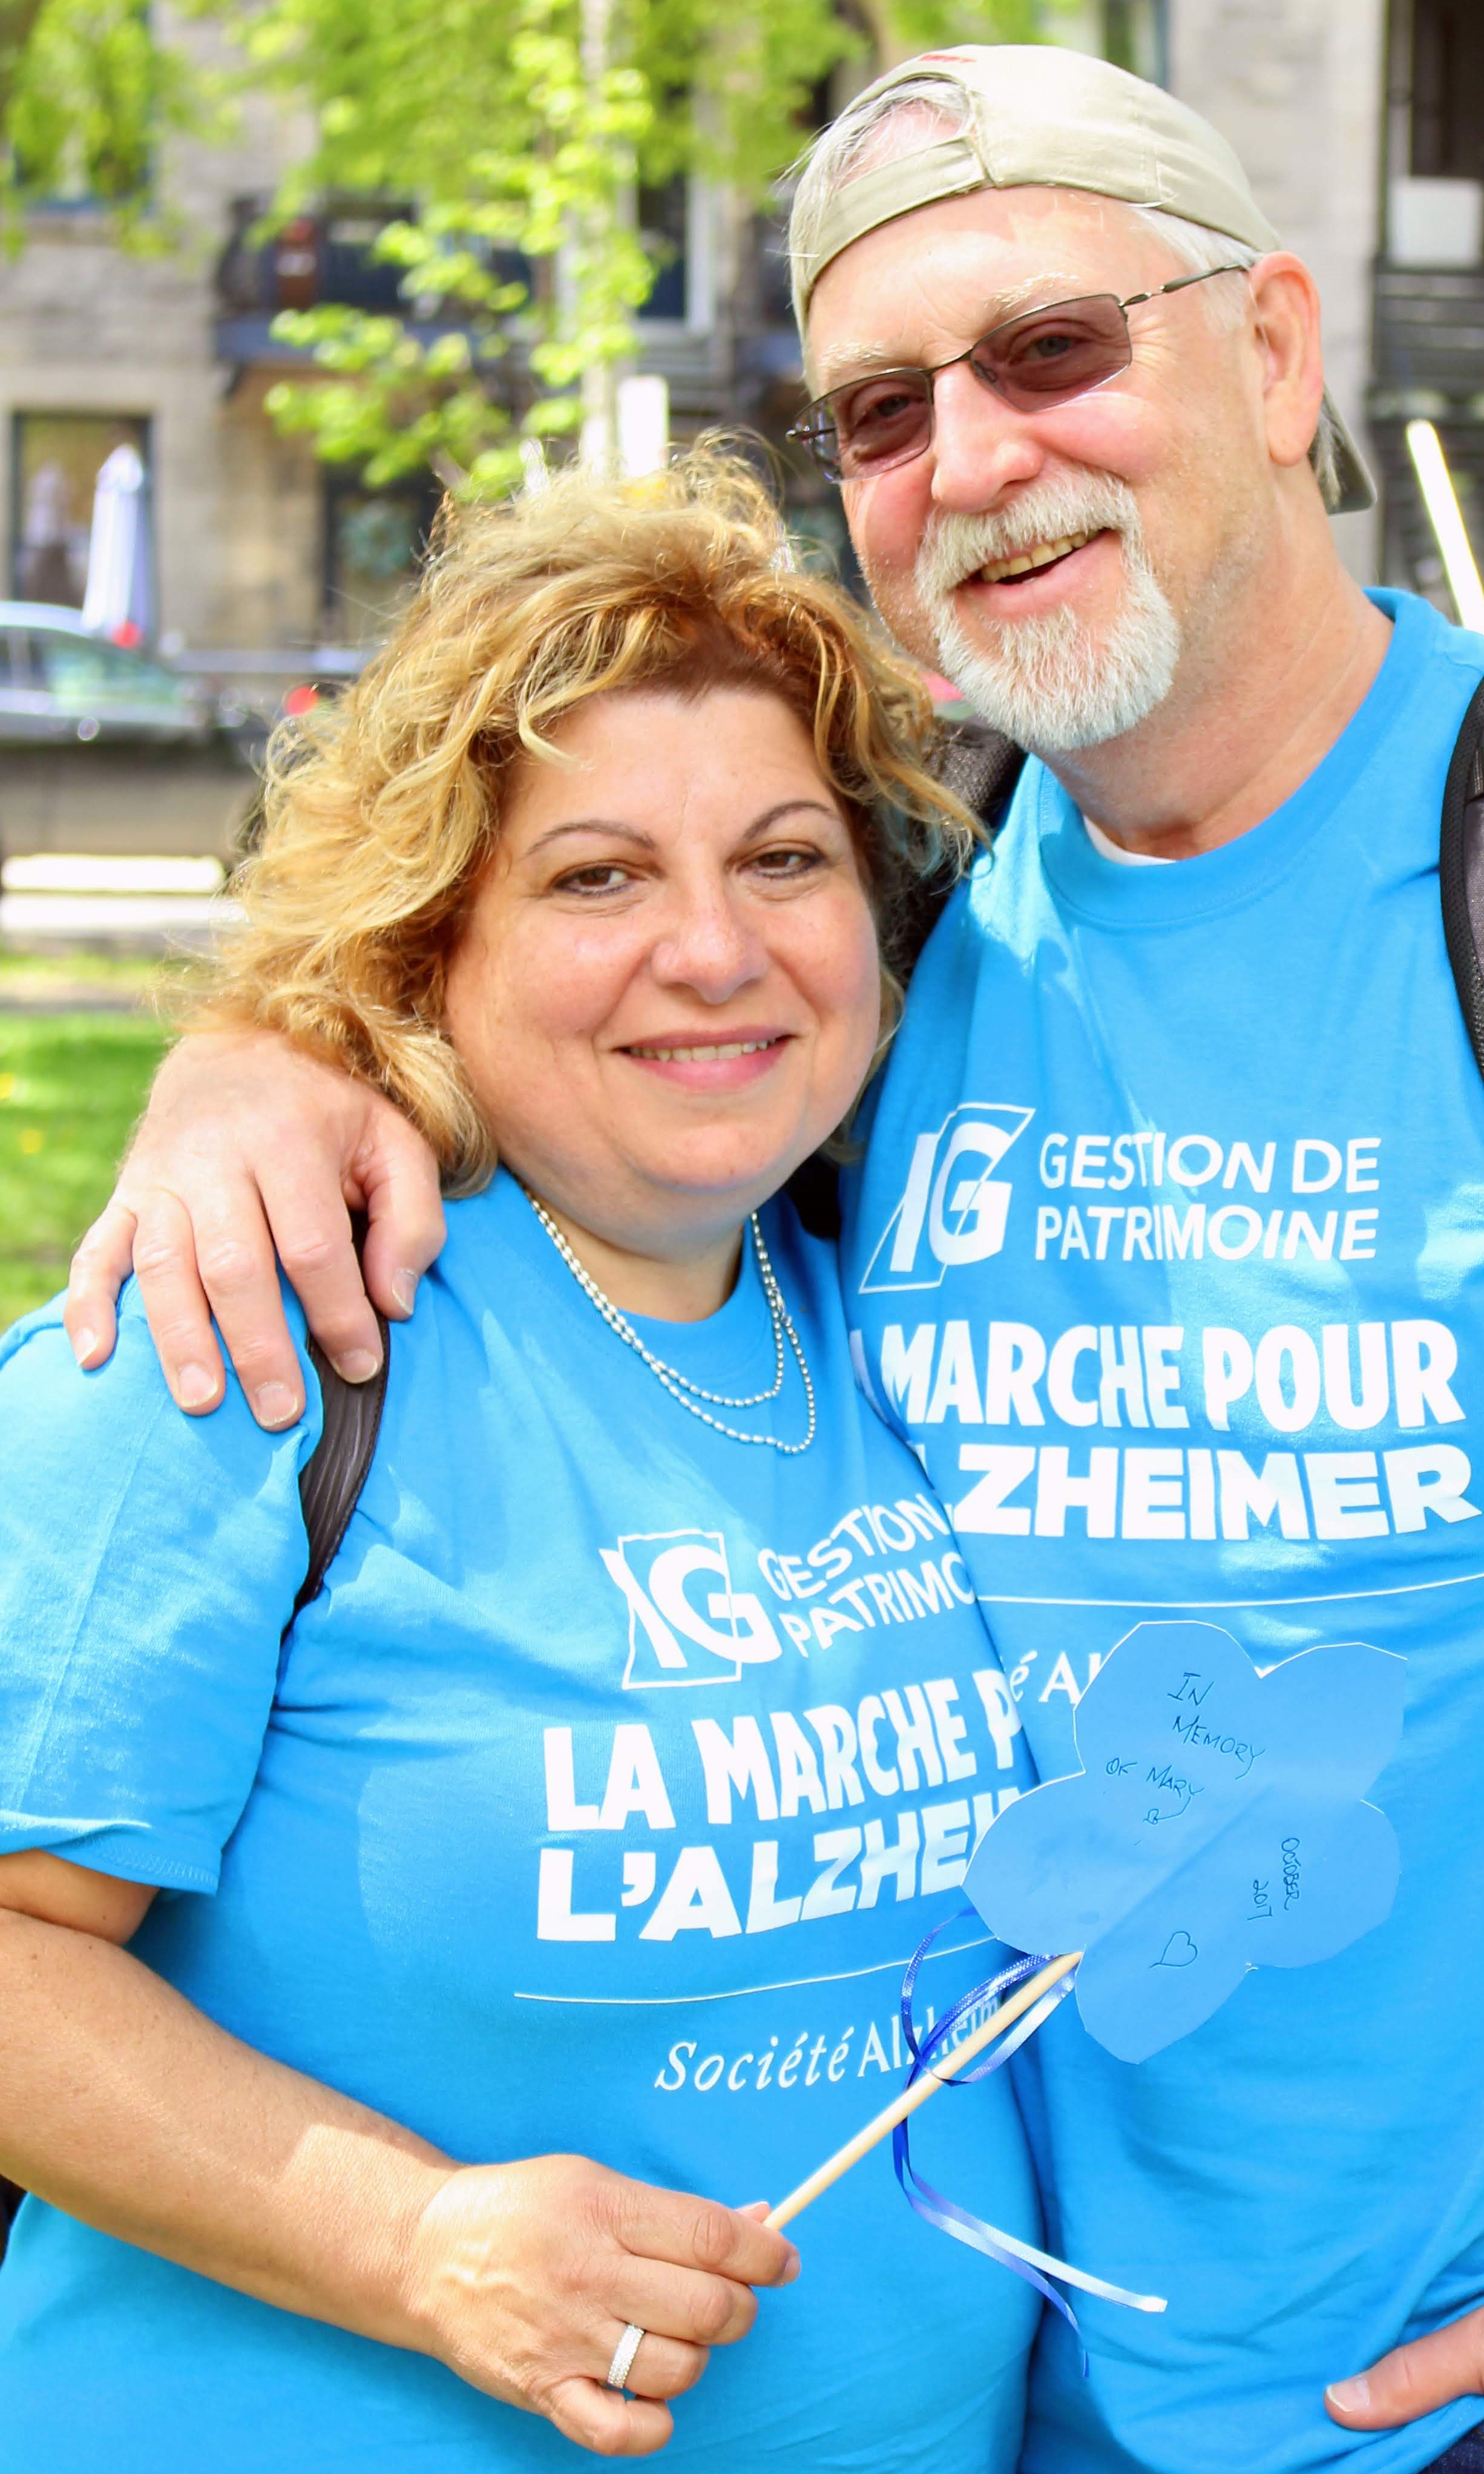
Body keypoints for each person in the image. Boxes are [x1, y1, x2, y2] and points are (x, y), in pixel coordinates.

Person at [61, 45, 1484, 2474]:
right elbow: (570, 998)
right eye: (883, 407)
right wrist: (274, 1048)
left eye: (1058, 349)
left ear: (1277, 355)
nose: (972, 460)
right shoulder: (908, 906)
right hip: (1012, 2390)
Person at [0, 453, 1046, 2470]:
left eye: (783, 860)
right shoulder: (244, 1339)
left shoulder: (895, 1314)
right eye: (594, 878)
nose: (716, 951)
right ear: (428, 933)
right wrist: (414, 2243)